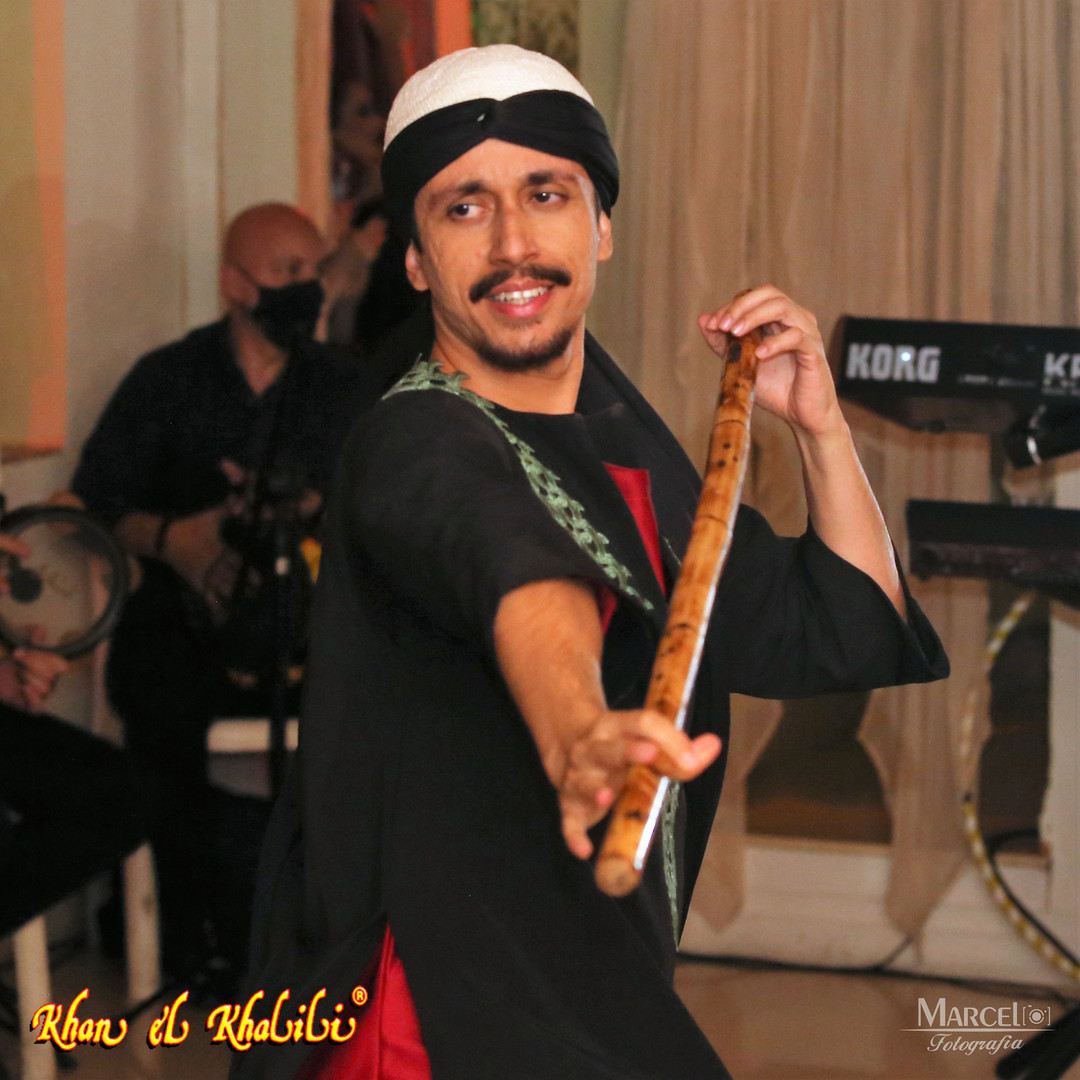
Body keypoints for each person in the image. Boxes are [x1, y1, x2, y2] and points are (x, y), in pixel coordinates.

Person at [236, 46, 949, 1080]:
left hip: (583, 969)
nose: (514, 245)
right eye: (464, 208)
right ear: (417, 260)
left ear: (602, 226)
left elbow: (833, 627)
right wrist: (579, 731)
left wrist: (820, 429)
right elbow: (515, 569)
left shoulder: (623, 438)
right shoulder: (412, 439)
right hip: (433, 1010)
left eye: (546, 194)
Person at [71, 203, 388, 987]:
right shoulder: (167, 379)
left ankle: (332, 930)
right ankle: (188, 937)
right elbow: (98, 502)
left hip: (307, 622)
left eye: (314, 270)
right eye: (288, 272)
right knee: (158, 715)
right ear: (235, 284)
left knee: (376, 711)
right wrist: (174, 538)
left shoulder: (345, 386)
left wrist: (312, 511)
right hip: (188, 626)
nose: (306, 287)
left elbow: (386, 507)